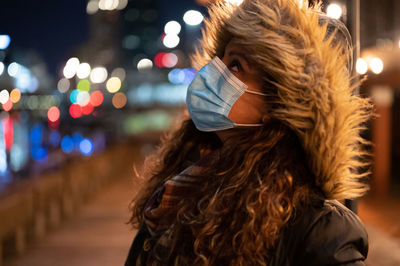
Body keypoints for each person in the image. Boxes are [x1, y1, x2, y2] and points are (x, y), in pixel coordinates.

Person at [125, 0, 373, 265]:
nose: (212, 72)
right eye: (219, 60)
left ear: (278, 101)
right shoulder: (180, 186)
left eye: (235, 65)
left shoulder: (319, 230)